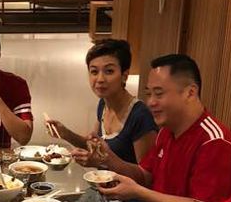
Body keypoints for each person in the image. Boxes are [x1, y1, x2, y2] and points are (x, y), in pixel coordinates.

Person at [94, 54, 231, 202]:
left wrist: (138, 192)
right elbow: (145, 175)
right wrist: (109, 159)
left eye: (159, 93)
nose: (150, 102)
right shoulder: (166, 131)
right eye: (149, 94)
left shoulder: (215, 141)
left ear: (190, 92)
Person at [45, 39, 157, 169]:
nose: (100, 79)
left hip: (126, 189)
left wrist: (101, 162)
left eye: (109, 71)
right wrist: (65, 133)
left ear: (124, 75)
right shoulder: (103, 103)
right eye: (94, 71)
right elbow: (93, 144)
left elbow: (146, 176)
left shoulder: (140, 116)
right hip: (103, 186)